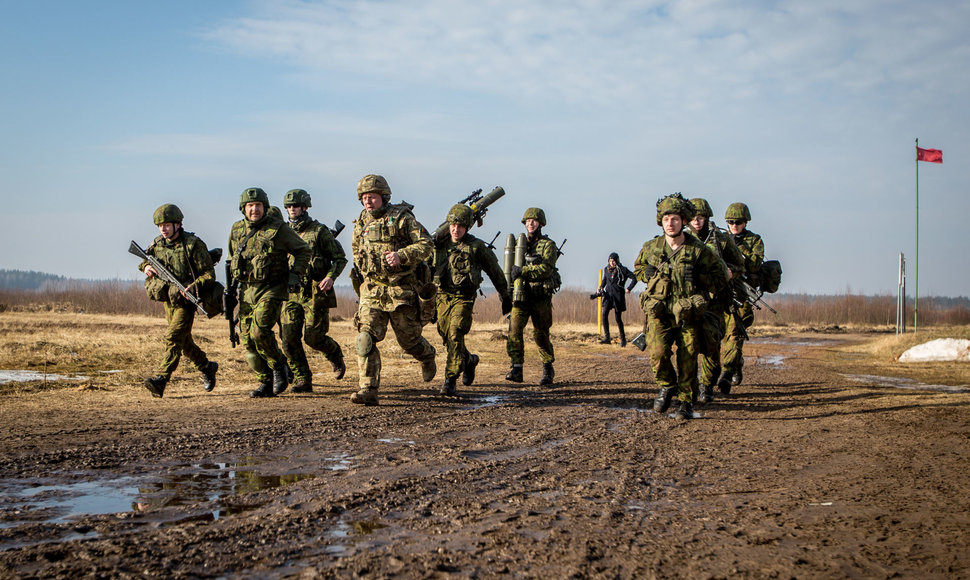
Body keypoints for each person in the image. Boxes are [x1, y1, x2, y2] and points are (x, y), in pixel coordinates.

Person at [634, 193, 728, 420]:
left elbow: (720, 275)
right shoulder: (652, 247)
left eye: (675, 219)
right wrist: (644, 273)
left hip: (688, 314)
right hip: (659, 313)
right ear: (661, 221)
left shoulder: (697, 250)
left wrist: (703, 283)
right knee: (658, 355)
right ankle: (667, 385)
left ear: (683, 221)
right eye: (666, 219)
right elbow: (637, 269)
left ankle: (685, 401)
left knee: (688, 358)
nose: (670, 223)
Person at [349, 174, 437, 406]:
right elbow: (357, 250)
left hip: (401, 291)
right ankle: (368, 388)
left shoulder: (401, 218)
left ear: (384, 196)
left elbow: (426, 244)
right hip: (373, 291)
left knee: (409, 342)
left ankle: (427, 356)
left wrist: (401, 256)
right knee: (364, 338)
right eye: (365, 198)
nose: (369, 202)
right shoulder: (361, 221)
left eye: (373, 197)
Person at [228, 187, 311, 398]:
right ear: (243, 208)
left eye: (258, 205)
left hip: (272, 288)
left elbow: (303, 250)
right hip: (247, 290)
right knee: (247, 341)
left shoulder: (278, 228)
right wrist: (229, 291)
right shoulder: (237, 230)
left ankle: (279, 365)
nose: (254, 209)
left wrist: (294, 277)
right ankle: (264, 381)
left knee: (260, 331)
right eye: (250, 206)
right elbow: (231, 260)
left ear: (264, 207)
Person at [140, 204, 219, 398]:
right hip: (169, 299)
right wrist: (145, 267)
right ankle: (207, 366)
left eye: (167, 225)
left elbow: (209, 274)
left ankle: (161, 379)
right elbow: (144, 258)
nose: (163, 229)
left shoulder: (192, 244)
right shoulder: (157, 244)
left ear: (178, 224)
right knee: (184, 342)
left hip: (186, 302)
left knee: (173, 338)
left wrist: (194, 285)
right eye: (160, 226)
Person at [433, 204, 512, 395]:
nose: (455, 229)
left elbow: (495, 271)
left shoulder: (476, 247)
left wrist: (505, 294)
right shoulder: (438, 245)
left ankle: (450, 379)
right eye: (453, 225)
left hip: (464, 298)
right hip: (442, 297)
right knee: (447, 338)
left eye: (460, 226)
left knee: (455, 332)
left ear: (467, 227)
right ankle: (468, 360)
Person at [279, 189, 348, 394]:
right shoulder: (282, 232)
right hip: (291, 293)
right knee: (288, 337)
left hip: (314, 291)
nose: (292, 209)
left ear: (305, 207)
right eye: (289, 206)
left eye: (296, 206)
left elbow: (340, 259)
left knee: (313, 337)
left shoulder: (319, 231)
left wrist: (330, 277)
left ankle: (334, 354)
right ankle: (302, 379)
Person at [688, 197, 745, 403]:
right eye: (693, 218)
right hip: (690, 301)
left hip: (715, 301)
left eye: (700, 217)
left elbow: (740, 265)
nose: (696, 222)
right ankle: (690, 386)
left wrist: (730, 273)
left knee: (712, 346)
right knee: (689, 345)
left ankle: (707, 385)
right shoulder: (681, 240)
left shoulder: (721, 240)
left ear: (707, 217)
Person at [506, 207, 560, 386]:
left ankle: (547, 368)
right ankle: (516, 368)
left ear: (541, 223)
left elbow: (546, 269)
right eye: (527, 221)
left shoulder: (548, 245)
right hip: (519, 296)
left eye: (534, 221)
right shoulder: (518, 244)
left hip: (540, 297)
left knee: (541, 334)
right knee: (514, 331)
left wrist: (523, 271)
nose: (530, 223)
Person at [719, 202, 765, 394]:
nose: (734, 225)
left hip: (742, 295)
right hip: (722, 293)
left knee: (736, 332)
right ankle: (735, 362)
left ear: (745, 222)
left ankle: (728, 373)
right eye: (730, 222)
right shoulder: (720, 240)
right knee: (720, 335)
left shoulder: (754, 240)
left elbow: (754, 264)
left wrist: (738, 259)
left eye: (738, 222)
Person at [591, 252, 637, 346]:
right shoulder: (606, 269)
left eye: (613, 261)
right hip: (608, 296)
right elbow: (605, 280)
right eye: (610, 261)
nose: (612, 263)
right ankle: (607, 338)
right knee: (604, 314)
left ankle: (623, 340)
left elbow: (634, 278)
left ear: (617, 261)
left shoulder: (623, 269)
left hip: (618, 296)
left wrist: (629, 288)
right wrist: (600, 287)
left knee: (618, 318)